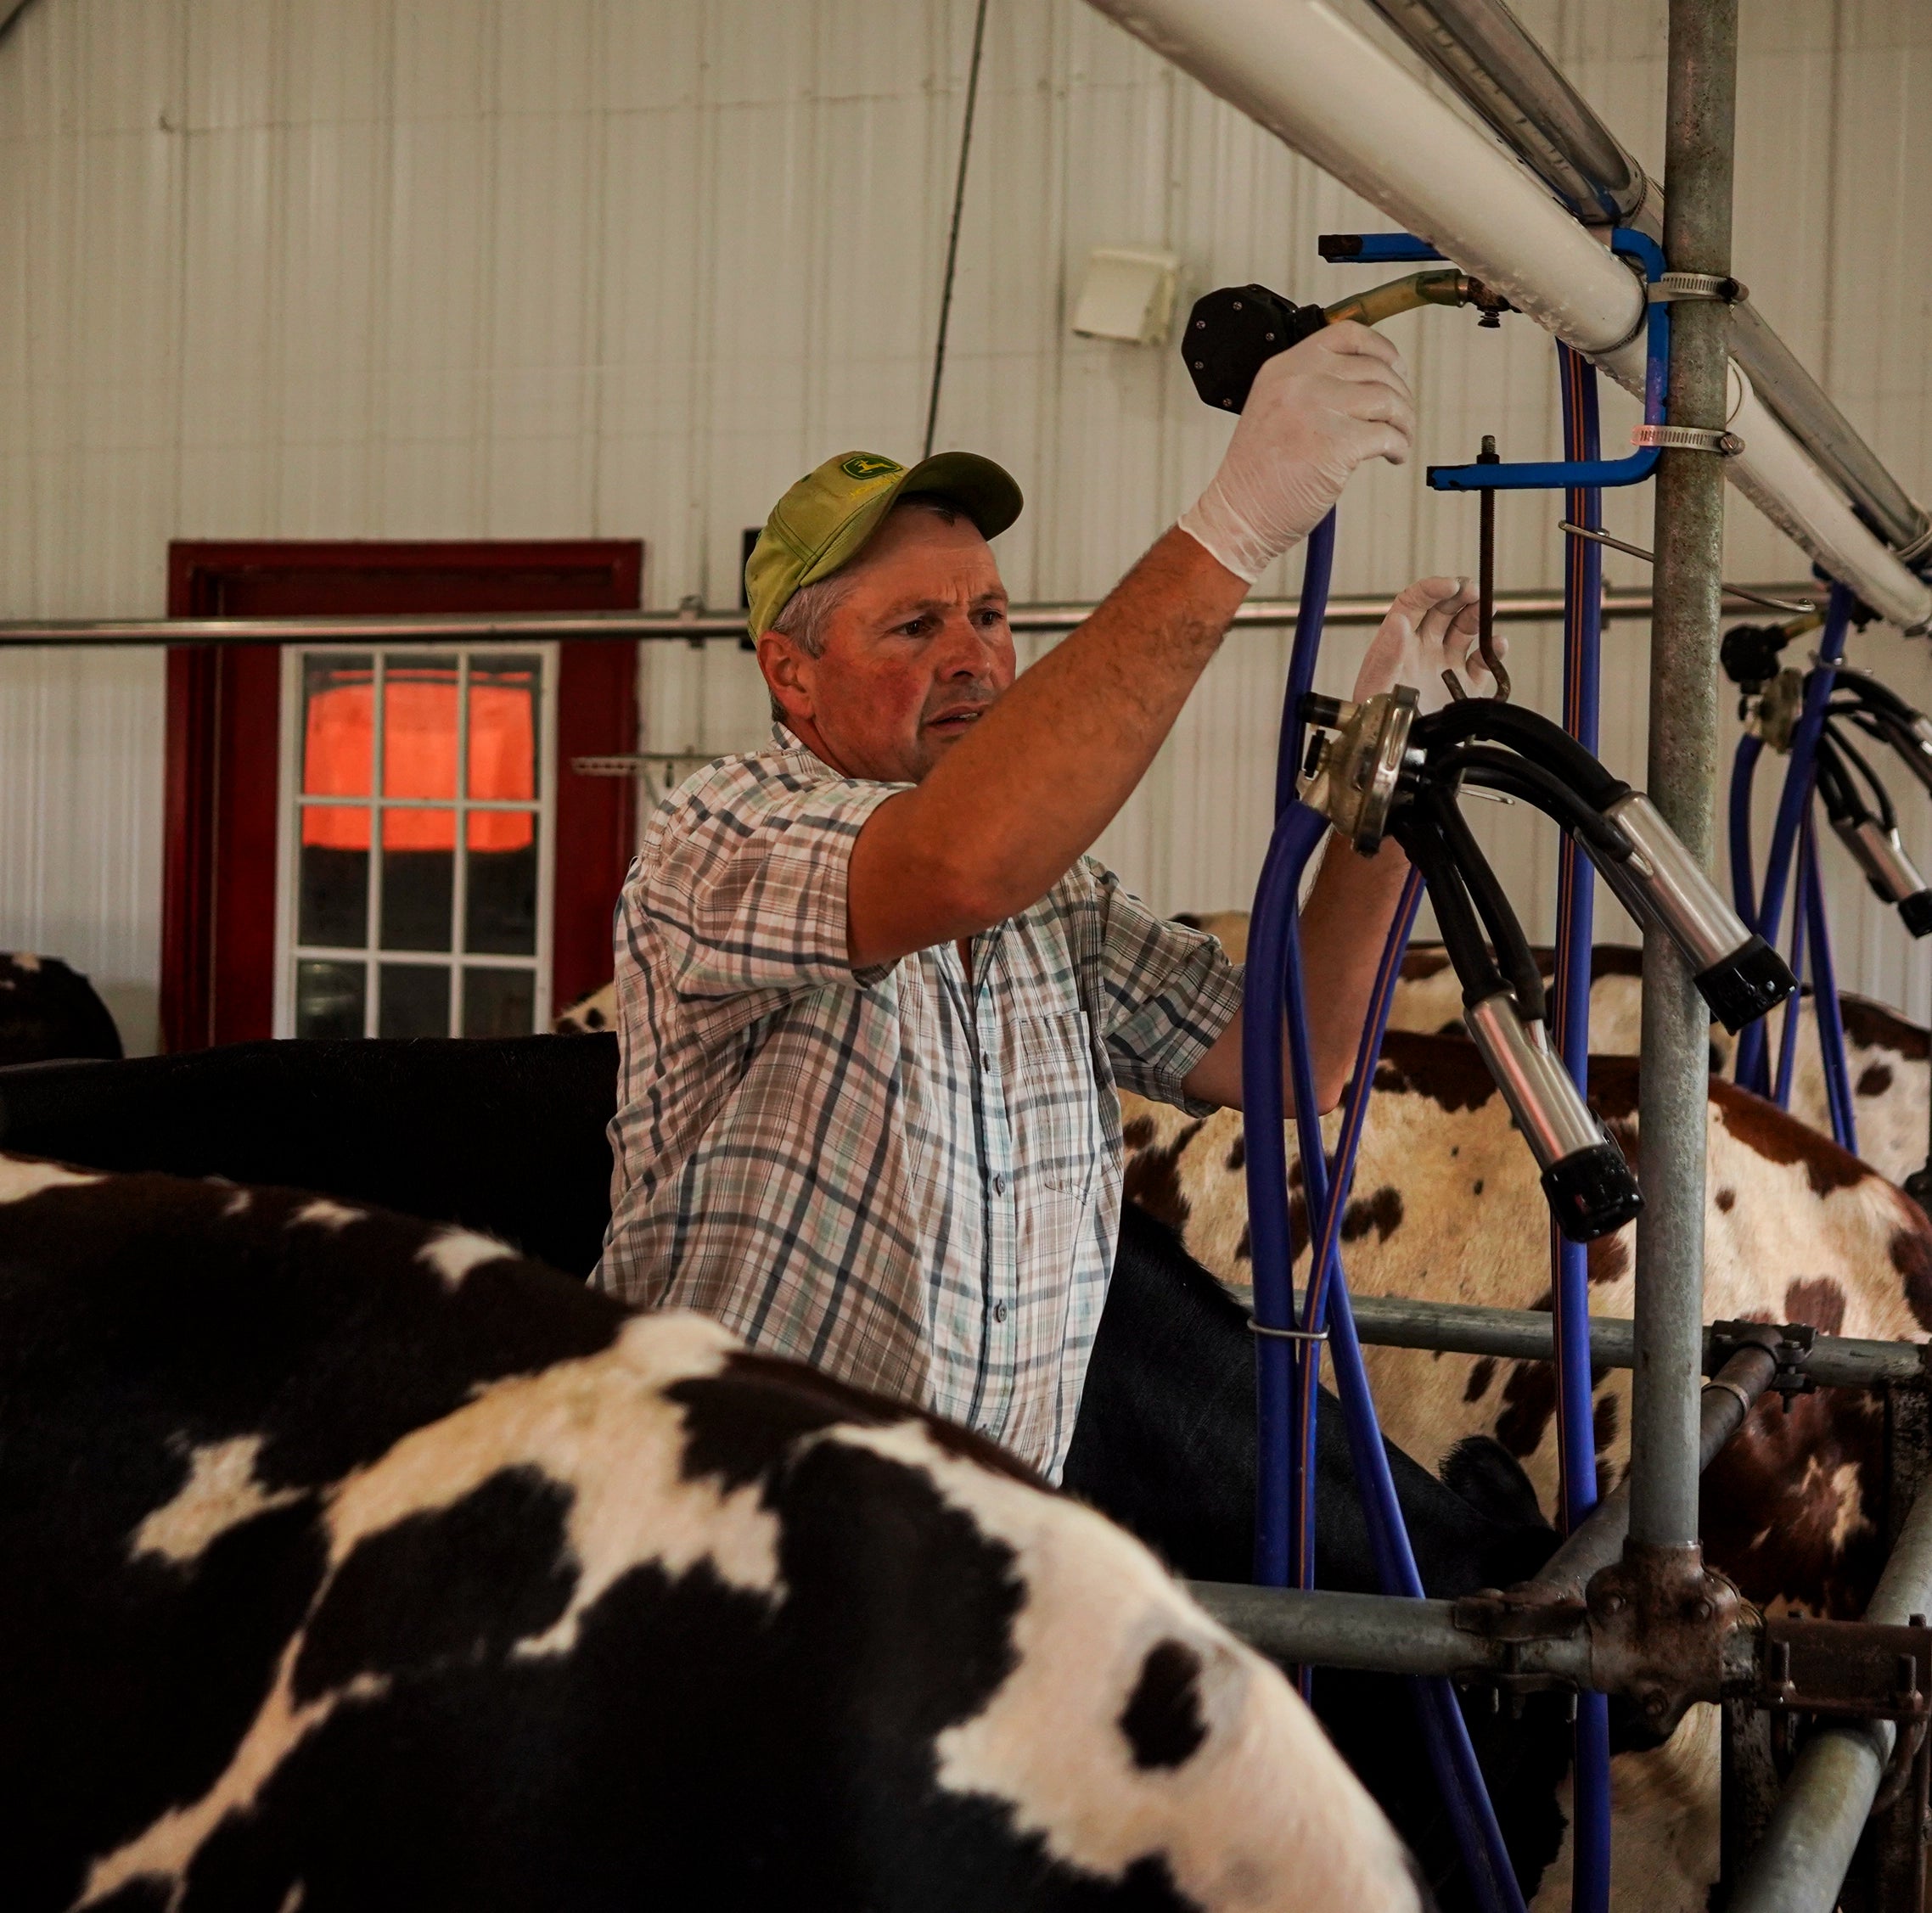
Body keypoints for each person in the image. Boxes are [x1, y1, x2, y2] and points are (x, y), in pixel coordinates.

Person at [596, 322, 1497, 1480]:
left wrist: (1390, 773)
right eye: (915, 626)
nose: (972, 656)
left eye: (989, 614)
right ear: (790, 672)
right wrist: (1229, 528)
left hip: (967, 1548)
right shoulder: (721, 832)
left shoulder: (1051, 900)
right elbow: (959, 862)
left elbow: (1294, 1051)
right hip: (725, 1538)